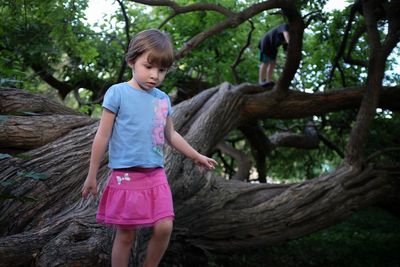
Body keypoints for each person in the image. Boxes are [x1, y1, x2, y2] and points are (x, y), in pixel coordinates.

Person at [81, 29, 217, 267]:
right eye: (149, 66)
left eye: (162, 70)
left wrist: (196, 156)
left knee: (165, 226)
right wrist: (91, 174)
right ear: (132, 60)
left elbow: (171, 135)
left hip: (155, 174)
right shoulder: (118, 93)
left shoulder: (162, 99)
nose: (155, 75)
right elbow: (102, 135)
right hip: (126, 175)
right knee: (126, 234)